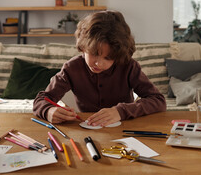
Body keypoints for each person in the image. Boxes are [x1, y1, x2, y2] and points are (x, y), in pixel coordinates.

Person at [33, 10, 166, 127]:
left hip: (125, 131)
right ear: (83, 46)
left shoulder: (128, 67)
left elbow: (158, 100)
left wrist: (120, 111)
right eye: (95, 54)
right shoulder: (72, 68)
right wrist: (48, 111)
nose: (99, 64)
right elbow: (41, 100)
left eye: (108, 58)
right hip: (87, 131)